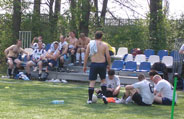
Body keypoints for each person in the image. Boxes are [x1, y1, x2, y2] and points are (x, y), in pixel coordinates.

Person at [83, 31, 111, 104]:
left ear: (95, 36)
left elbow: (86, 55)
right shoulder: (105, 45)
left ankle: (89, 99)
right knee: (103, 80)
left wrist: (84, 65)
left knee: (92, 82)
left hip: (94, 64)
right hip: (102, 64)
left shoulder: (90, 44)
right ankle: (104, 96)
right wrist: (109, 65)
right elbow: (108, 56)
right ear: (101, 37)